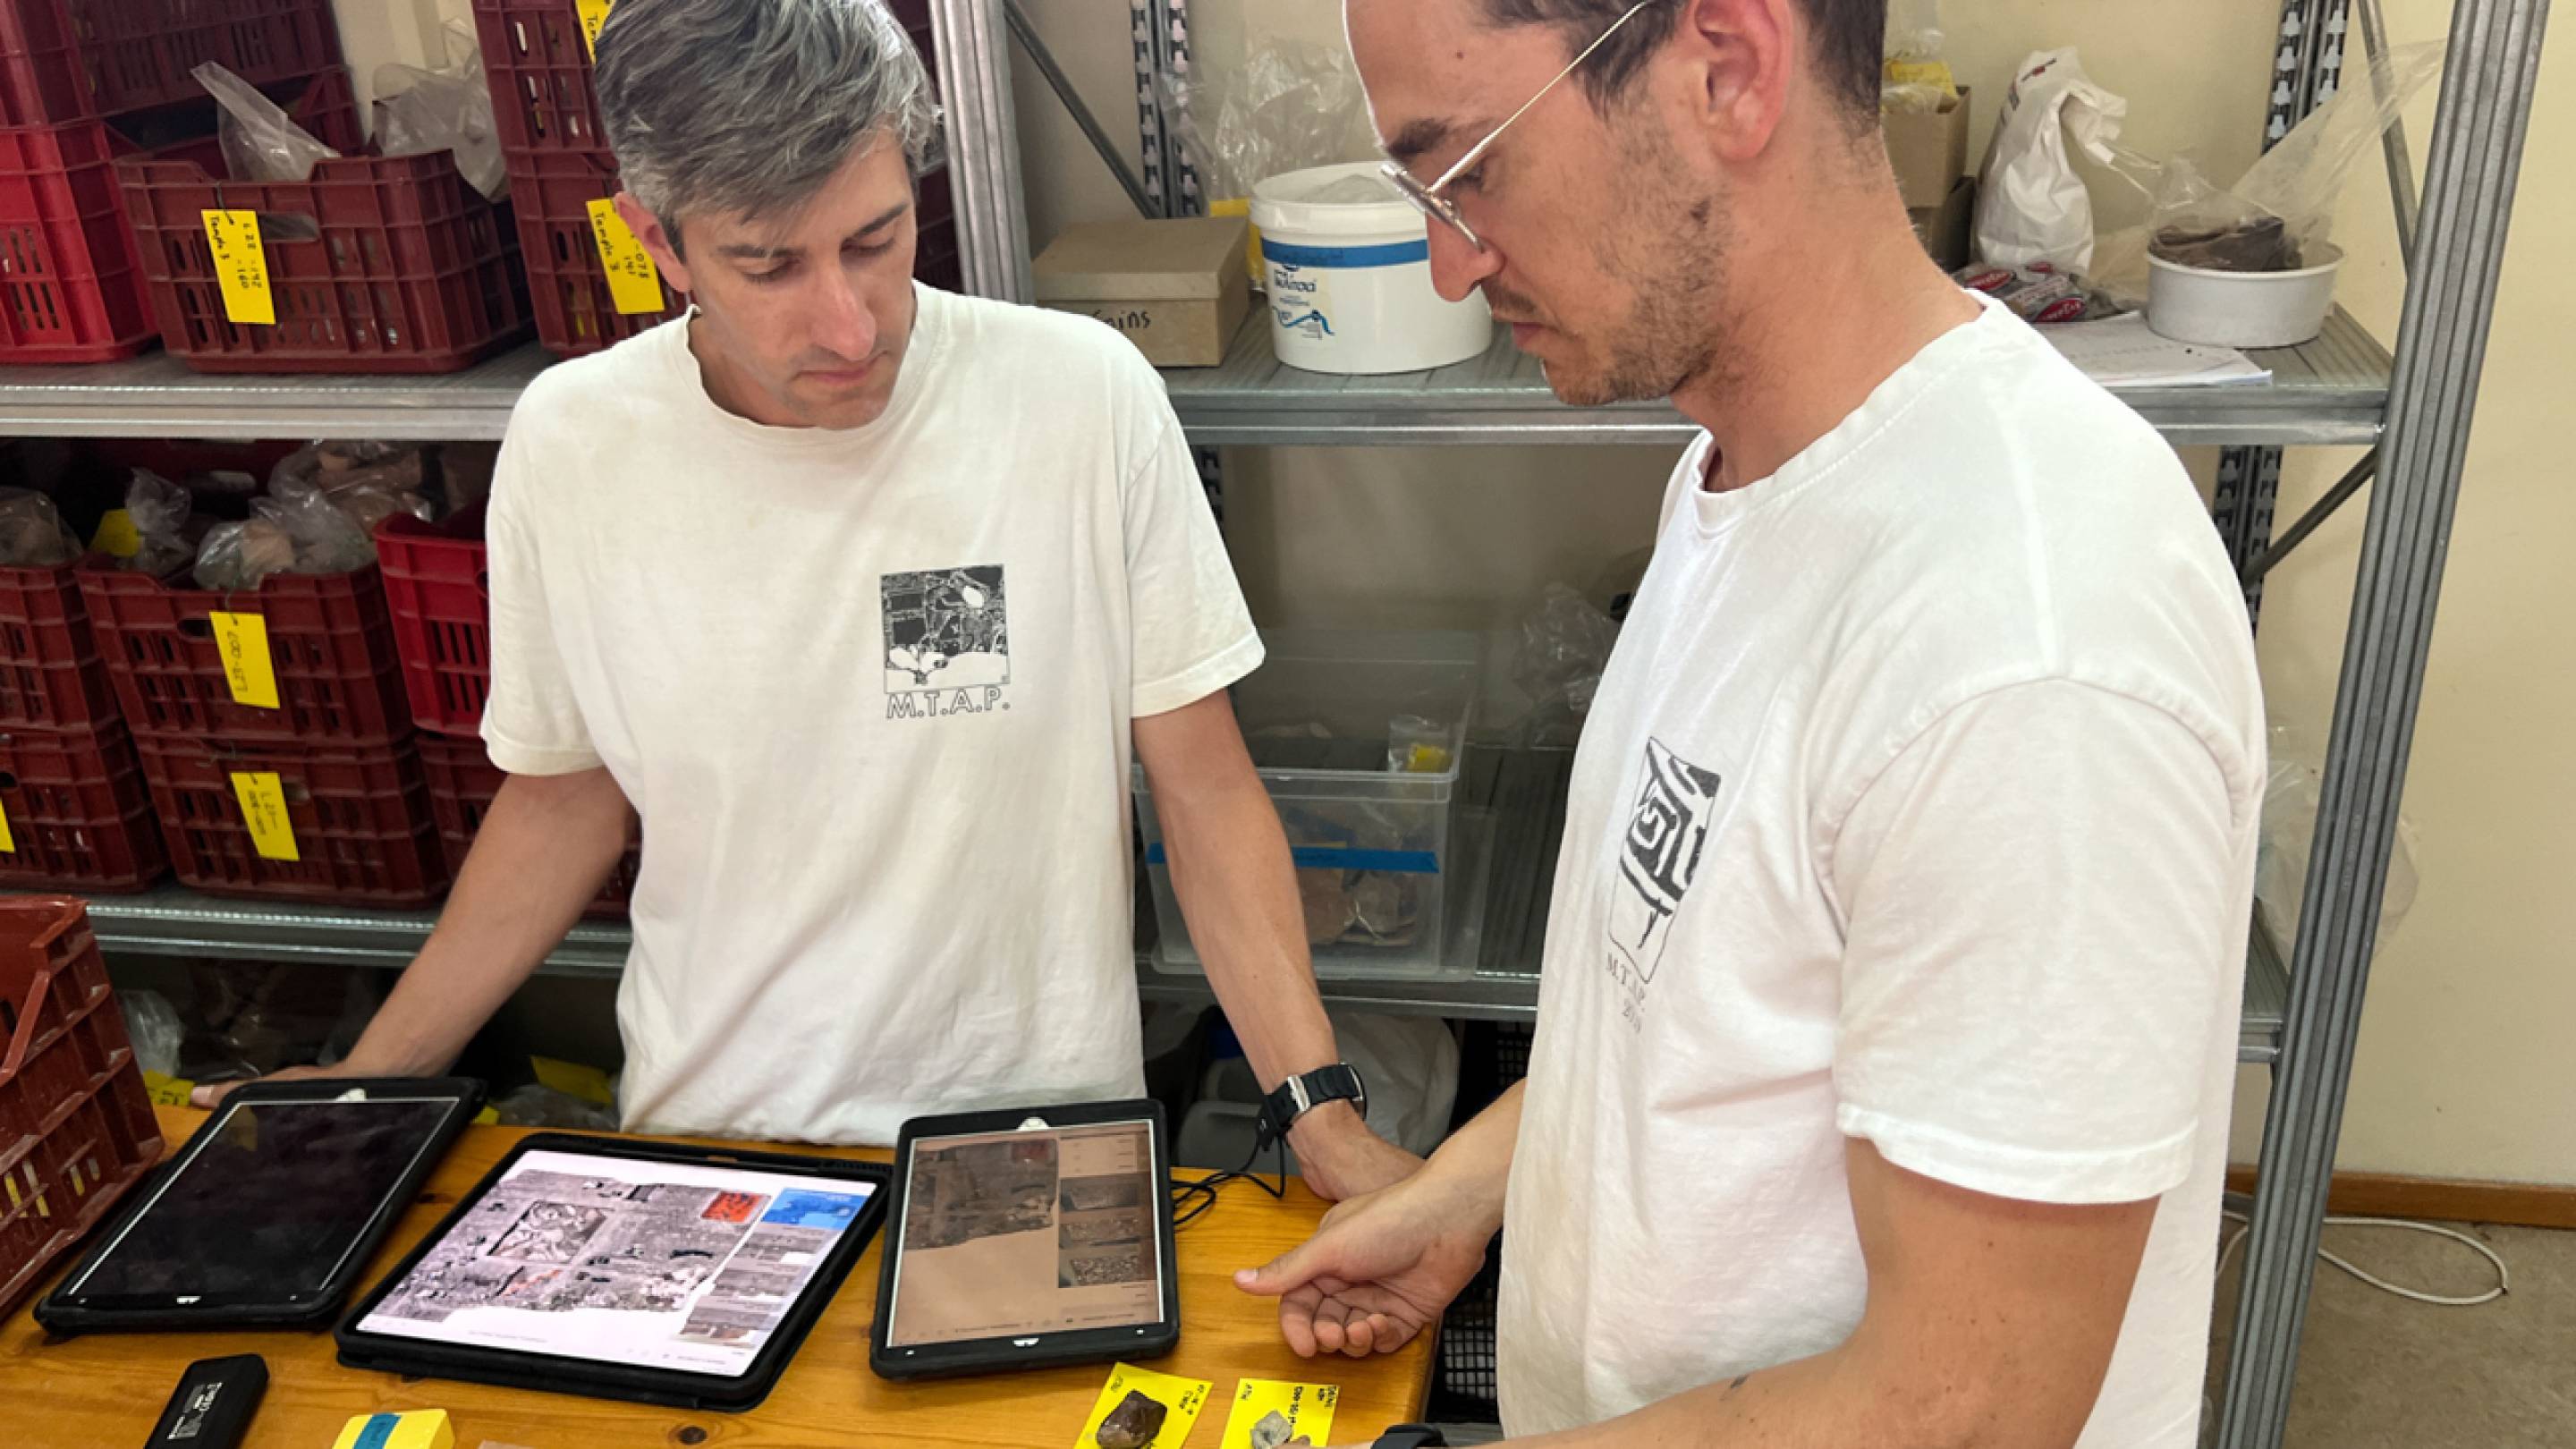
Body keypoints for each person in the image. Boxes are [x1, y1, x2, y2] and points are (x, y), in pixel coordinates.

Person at [1236, 1, 2265, 1444]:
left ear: (1724, 65)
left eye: (1468, 170)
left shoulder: (2027, 647)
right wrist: (1463, 1201)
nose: (1448, 260)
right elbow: (1700, 1001)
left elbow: (1961, 1409)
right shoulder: (1744, 471)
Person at [196, 0, 1417, 1201]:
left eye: (875, 240)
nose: (846, 324)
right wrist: (365, 1081)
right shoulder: (575, 447)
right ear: (656, 240)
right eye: (768, 264)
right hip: (715, 1147)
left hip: (1022, 1144)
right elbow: (564, 798)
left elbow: (1202, 790)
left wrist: (1318, 1115)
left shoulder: (1076, 401)